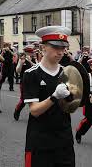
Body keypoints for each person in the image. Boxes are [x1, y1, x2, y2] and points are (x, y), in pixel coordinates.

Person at [23, 26, 75, 166]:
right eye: (56, 47)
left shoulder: (67, 73)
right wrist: (54, 97)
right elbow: (34, 111)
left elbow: (72, 106)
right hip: (41, 142)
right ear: (43, 47)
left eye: (63, 48)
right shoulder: (31, 74)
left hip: (64, 141)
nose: (61, 52)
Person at [13, 45, 36, 121]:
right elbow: (17, 71)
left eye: (32, 52)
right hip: (24, 82)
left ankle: (35, 115)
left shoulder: (34, 59)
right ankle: (17, 110)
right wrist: (21, 63)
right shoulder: (22, 59)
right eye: (31, 52)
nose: (33, 53)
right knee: (23, 100)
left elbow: (37, 67)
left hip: (33, 82)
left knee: (35, 99)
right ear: (27, 53)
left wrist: (30, 61)